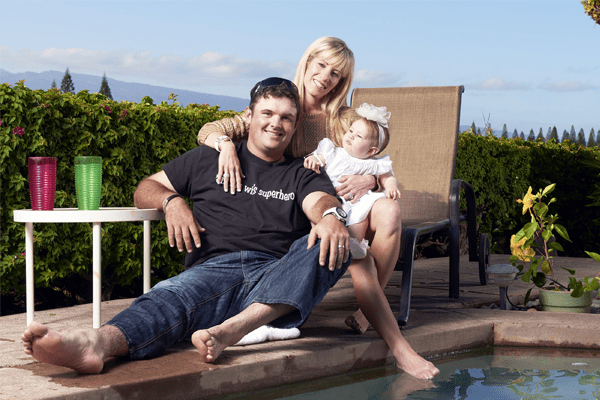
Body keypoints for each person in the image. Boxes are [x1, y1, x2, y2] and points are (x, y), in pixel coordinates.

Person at [20, 78, 354, 374]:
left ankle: (233, 329)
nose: (275, 124)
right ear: (249, 116)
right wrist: (172, 201)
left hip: (276, 275)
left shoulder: (302, 173)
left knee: (333, 239)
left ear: (294, 127)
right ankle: (94, 344)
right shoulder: (207, 159)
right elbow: (144, 188)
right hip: (213, 271)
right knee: (172, 297)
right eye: (267, 113)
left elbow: (320, 202)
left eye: (286, 118)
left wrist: (329, 217)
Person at [197, 37, 402, 335]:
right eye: (321, 65)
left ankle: (369, 310)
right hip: (295, 205)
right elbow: (210, 130)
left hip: (340, 201)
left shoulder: (343, 118)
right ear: (307, 62)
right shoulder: (280, 105)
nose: (326, 77)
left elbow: (373, 152)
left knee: (390, 211)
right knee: (354, 230)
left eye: (336, 73)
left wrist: (370, 179)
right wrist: (226, 145)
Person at [303, 103, 401, 262]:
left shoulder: (373, 163)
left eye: (359, 136)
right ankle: (319, 243)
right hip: (329, 197)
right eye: (351, 131)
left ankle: (354, 243)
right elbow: (320, 158)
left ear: (371, 151)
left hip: (356, 201)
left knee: (359, 218)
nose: (351, 136)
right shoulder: (334, 152)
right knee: (319, 215)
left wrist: (391, 186)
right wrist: (313, 159)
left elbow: (387, 176)